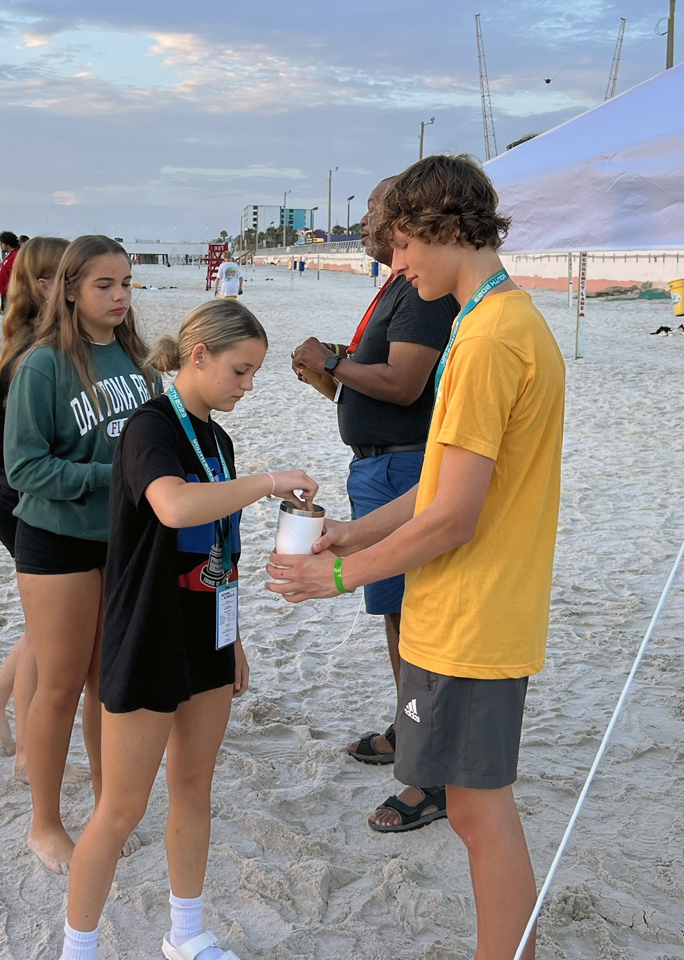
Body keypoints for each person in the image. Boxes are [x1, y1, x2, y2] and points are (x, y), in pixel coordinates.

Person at [266, 155, 564, 960]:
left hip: (476, 611)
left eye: (400, 246)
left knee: (481, 814)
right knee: (469, 810)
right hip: (461, 609)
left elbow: (453, 520)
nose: (393, 265)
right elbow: (438, 485)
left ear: (444, 228)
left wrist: (335, 576)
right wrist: (351, 535)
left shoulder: (493, 337)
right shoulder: (481, 322)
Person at [60, 300, 318, 960]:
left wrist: (232, 641)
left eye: (256, 372)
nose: (247, 386)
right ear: (197, 355)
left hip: (206, 633)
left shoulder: (218, 440)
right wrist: (265, 483)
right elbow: (173, 506)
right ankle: (78, 949)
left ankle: (187, 934)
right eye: (240, 370)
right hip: (147, 631)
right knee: (119, 811)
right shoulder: (150, 428)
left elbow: (219, 549)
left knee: (194, 788)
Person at [290, 177, 458, 833]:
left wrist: (331, 363)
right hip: (383, 464)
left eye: (372, 211)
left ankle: (428, 770)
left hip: (402, 466)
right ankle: (409, 730)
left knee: (415, 618)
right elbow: (380, 378)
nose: (361, 220)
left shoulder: (418, 295)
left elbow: (403, 380)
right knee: (399, 618)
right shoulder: (397, 286)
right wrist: (331, 367)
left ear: (403, 220)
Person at [3, 235, 156, 874]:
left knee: (107, 685)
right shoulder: (42, 365)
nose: (119, 296)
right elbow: (23, 468)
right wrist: (112, 475)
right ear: (69, 289)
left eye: (126, 284)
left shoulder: (133, 358)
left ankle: (105, 807)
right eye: (104, 285)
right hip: (57, 539)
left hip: (120, 539)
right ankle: (44, 822)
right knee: (60, 684)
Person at [0, 237, 72, 779]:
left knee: (43, 630)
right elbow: (26, 460)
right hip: (24, 502)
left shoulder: (36, 340)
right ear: (43, 284)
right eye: (68, 276)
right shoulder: (37, 351)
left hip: (15, 498)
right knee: (48, 636)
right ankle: (30, 753)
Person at [0, 230, 20, 313]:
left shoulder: (15, 255)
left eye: (1, 243)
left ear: (6, 243)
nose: (1, 246)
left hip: (10, 292)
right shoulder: (9, 256)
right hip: (5, 291)